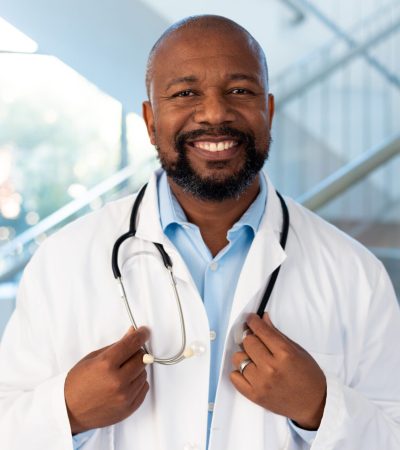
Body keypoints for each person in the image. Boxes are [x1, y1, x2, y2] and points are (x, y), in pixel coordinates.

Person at [0, 14, 399, 450]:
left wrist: (321, 407)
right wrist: (68, 413)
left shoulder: (356, 272)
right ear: (151, 120)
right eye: (186, 92)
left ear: (268, 111)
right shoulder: (63, 260)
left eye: (240, 91)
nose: (214, 113)